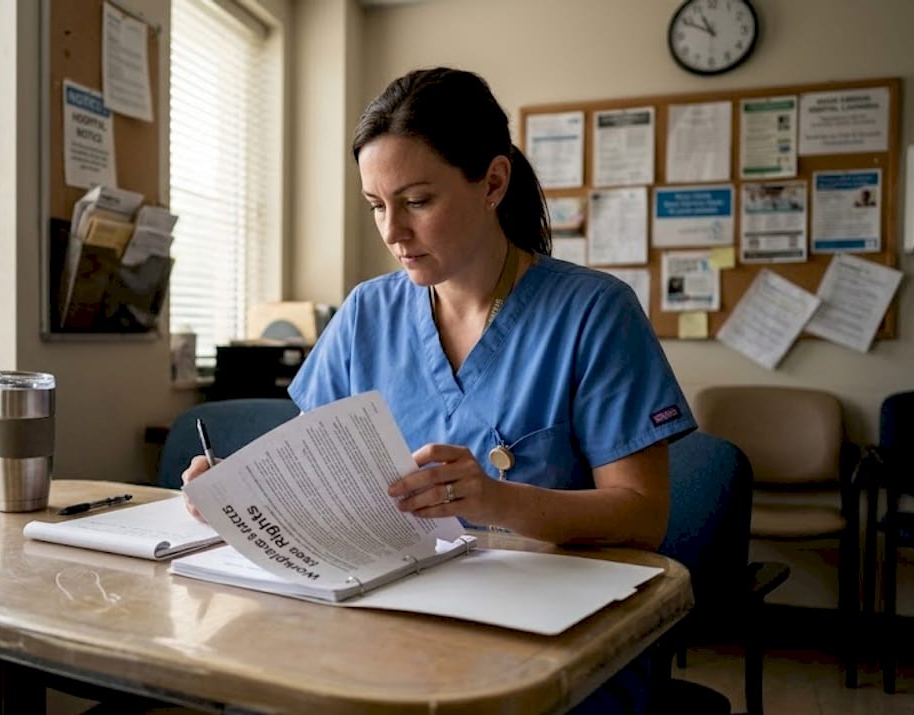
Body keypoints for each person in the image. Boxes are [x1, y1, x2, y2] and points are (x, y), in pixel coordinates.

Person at [182, 67, 696, 713]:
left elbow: (643, 515)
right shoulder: (366, 313)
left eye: (417, 201)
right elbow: (320, 479)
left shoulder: (594, 314)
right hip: (388, 625)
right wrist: (239, 491)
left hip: (553, 644)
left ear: (493, 183)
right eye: (376, 206)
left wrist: (497, 498)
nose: (392, 231)